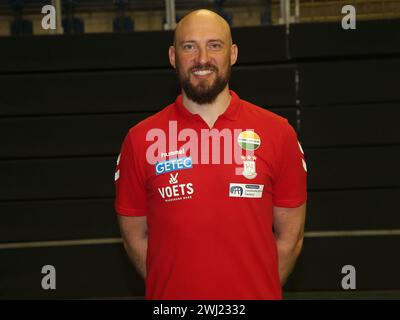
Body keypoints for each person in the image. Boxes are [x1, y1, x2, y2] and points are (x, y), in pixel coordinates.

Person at [114, 9, 307, 300]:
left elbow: (290, 239)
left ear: (233, 54)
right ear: (172, 56)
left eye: (214, 45)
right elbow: (134, 238)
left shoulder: (278, 133)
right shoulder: (140, 139)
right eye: (189, 46)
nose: (202, 58)